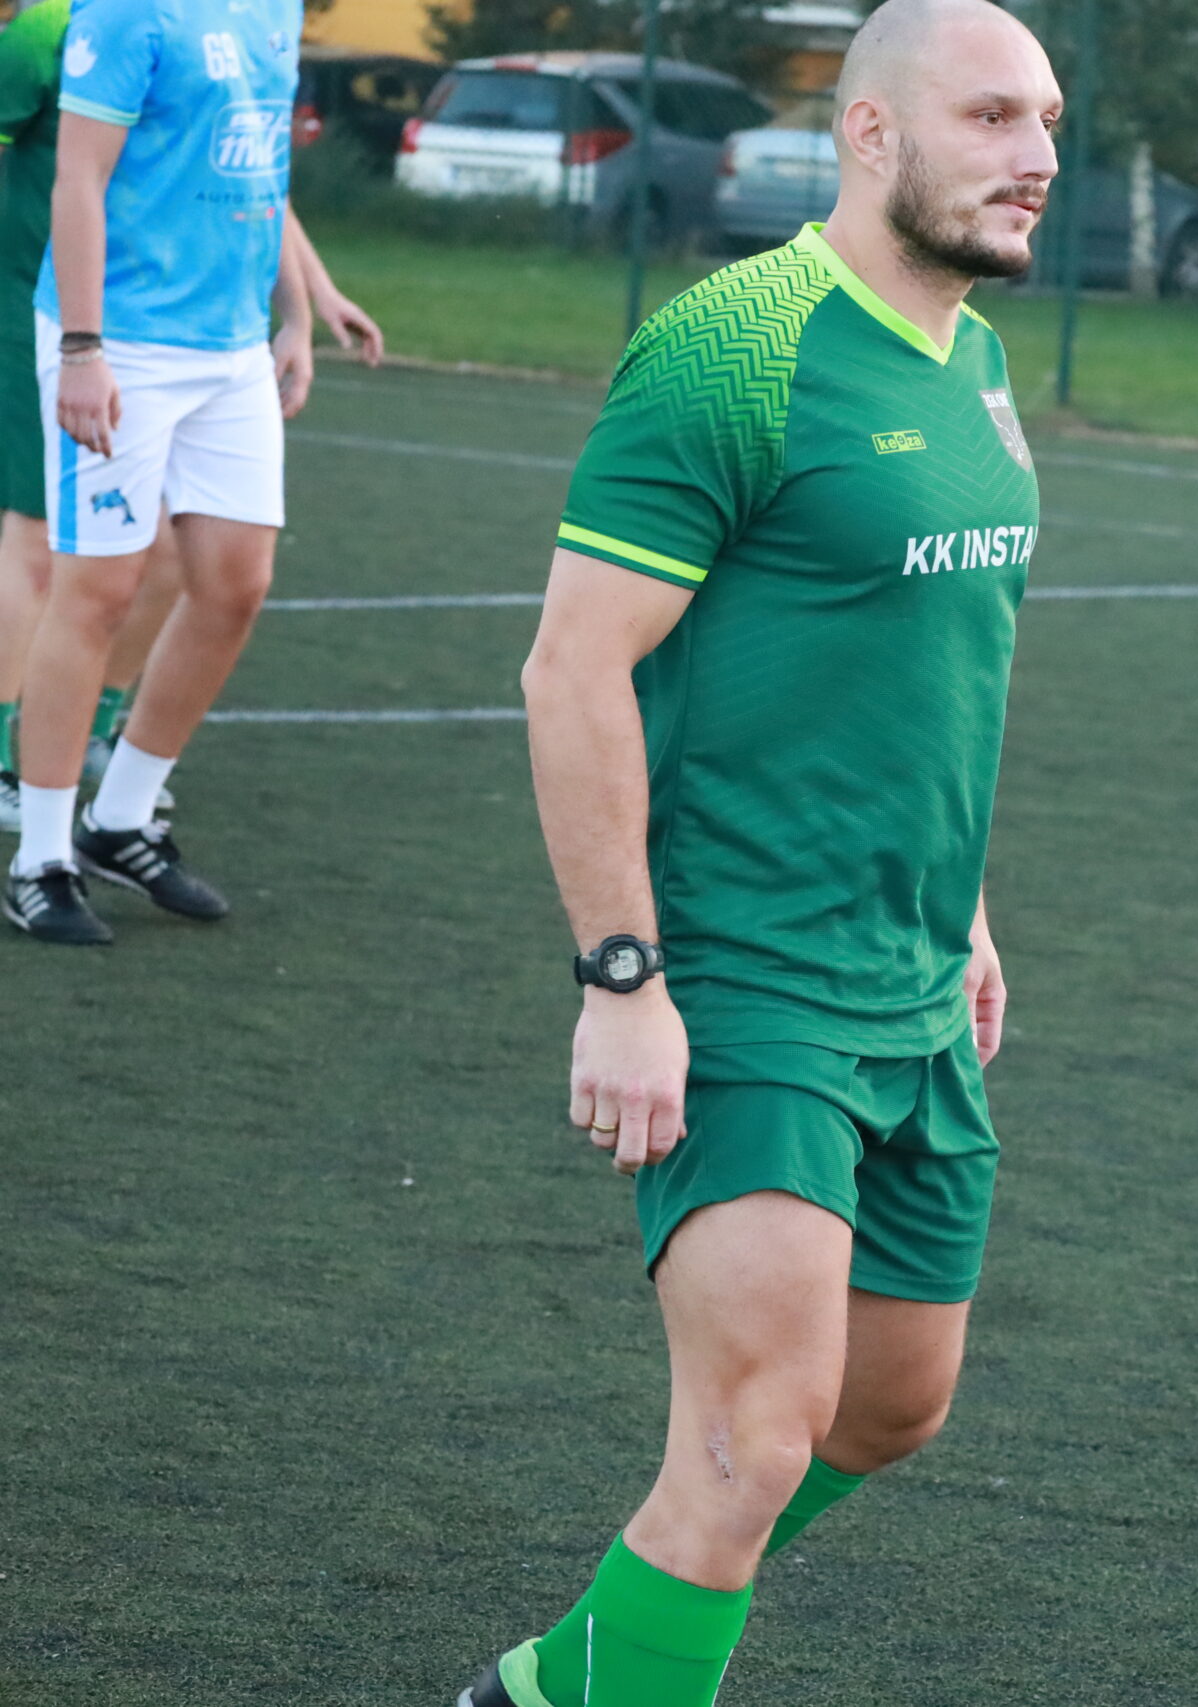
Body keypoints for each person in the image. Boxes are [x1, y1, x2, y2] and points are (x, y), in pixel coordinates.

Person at [460, 1, 1055, 1700]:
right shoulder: (732, 346)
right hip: (744, 976)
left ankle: (556, 1683)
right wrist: (622, 981)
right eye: (994, 117)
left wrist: (964, 905)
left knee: (890, 1407)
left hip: (911, 979)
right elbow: (573, 670)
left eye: (1048, 124)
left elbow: (910, 662)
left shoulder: (973, 359)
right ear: (871, 131)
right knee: (749, 1440)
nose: (1036, 158)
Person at [2, 0, 317, 941]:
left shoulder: (276, 8)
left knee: (235, 585)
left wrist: (296, 313)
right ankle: (39, 858)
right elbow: (78, 180)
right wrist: (84, 348)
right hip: (125, 339)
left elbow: (262, 167)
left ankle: (121, 819)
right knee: (97, 591)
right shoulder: (126, 11)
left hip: (230, 348)